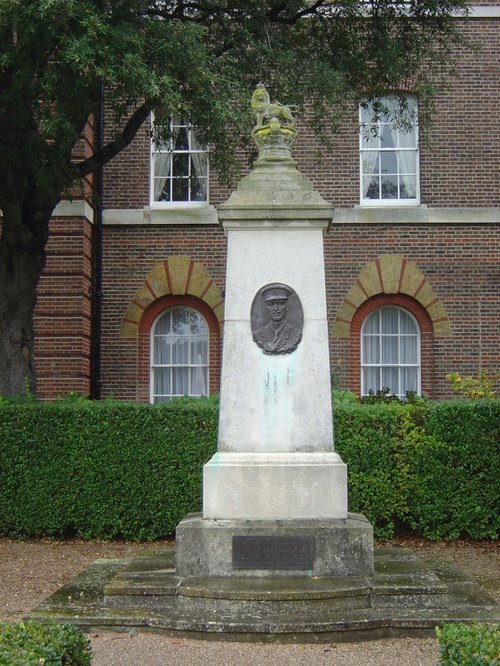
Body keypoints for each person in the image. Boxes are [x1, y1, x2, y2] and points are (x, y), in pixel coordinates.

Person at [252, 285, 302, 354]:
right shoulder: (258, 335)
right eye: (271, 304)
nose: (276, 308)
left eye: (280, 303)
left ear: (286, 307)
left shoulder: (295, 334)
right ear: (267, 308)